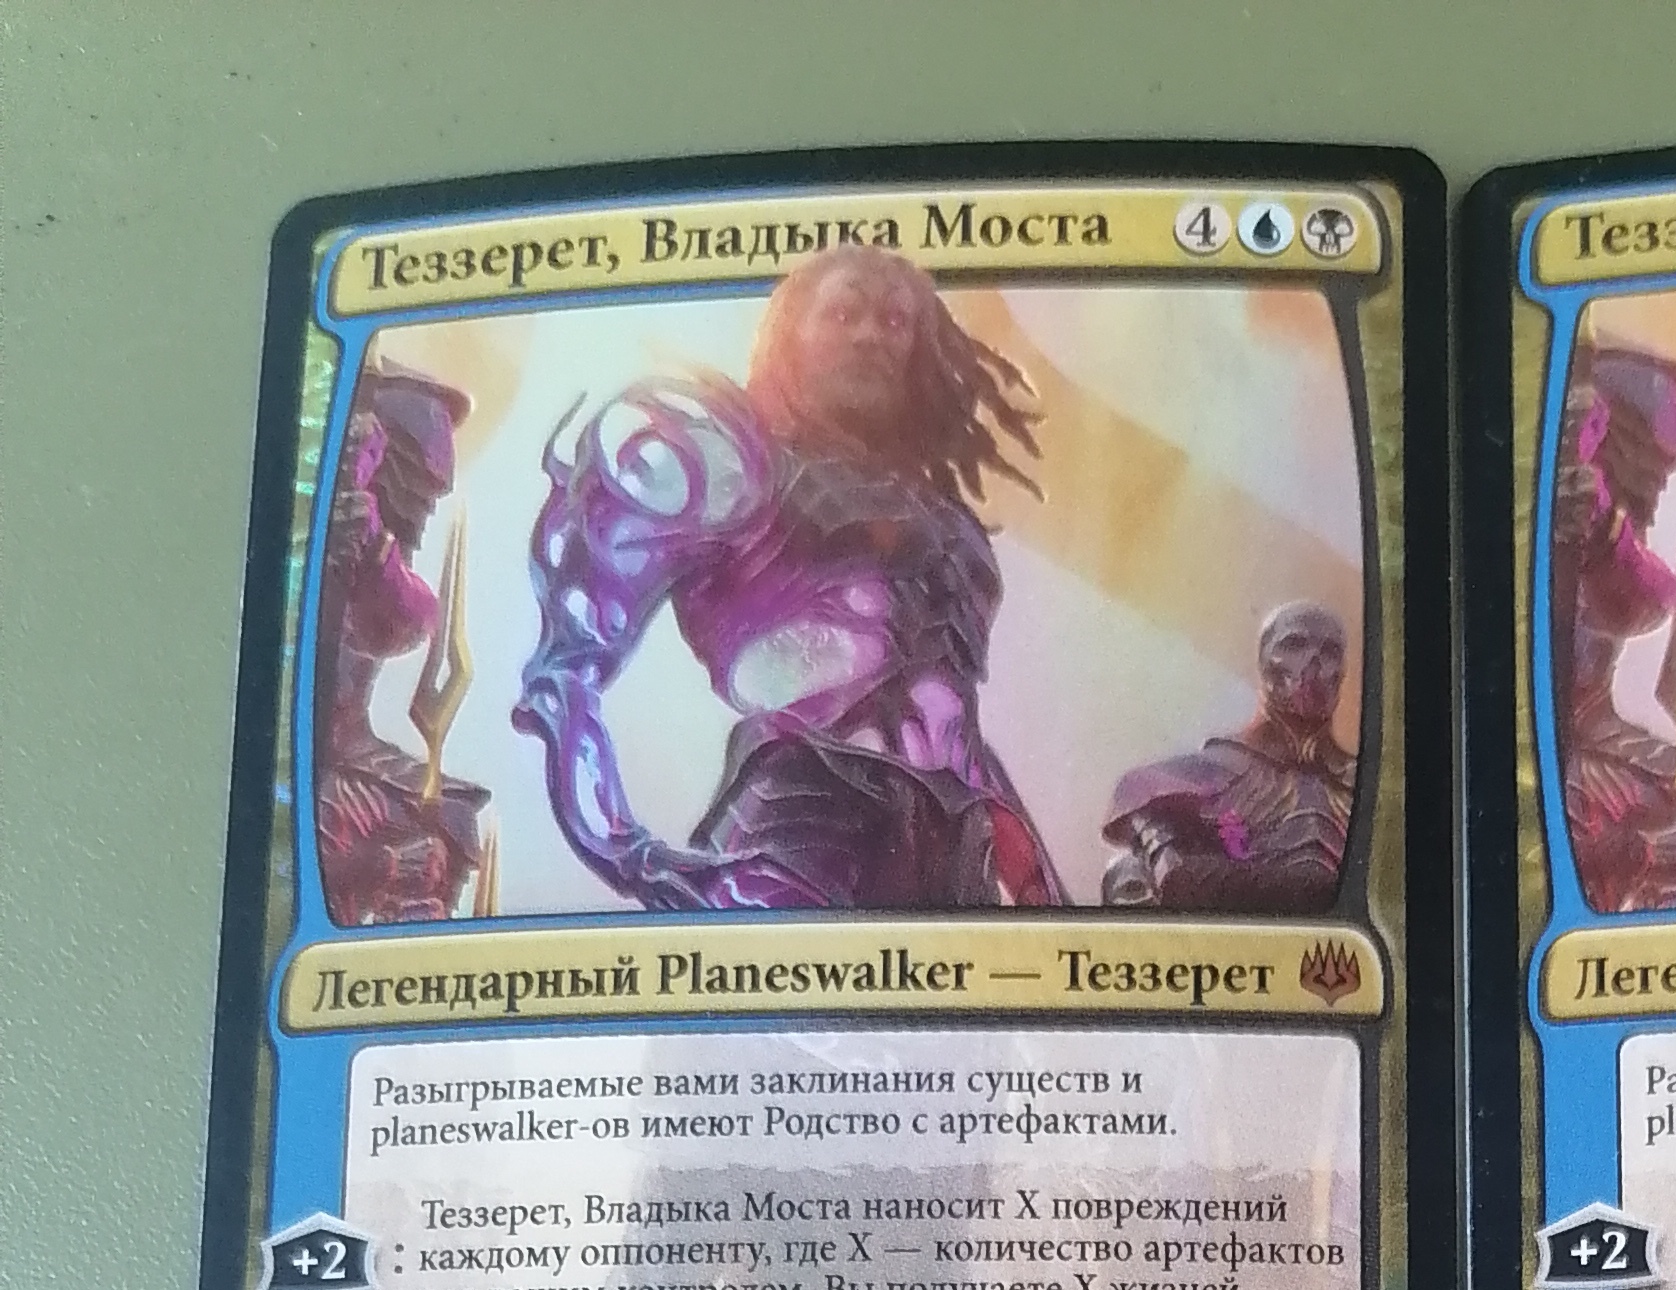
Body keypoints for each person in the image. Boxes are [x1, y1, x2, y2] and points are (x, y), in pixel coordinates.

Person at [516, 247, 1063, 909]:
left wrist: (1045, 897)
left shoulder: (946, 527)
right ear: (789, 333)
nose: (871, 336)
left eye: (895, 322)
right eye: (843, 314)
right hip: (800, 839)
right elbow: (567, 670)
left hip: (955, 858)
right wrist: (633, 855)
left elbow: (948, 720)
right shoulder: (724, 460)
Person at [1550, 344, 1676, 911]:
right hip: (1536, 738)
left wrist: (1603, 529)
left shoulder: (1609, 530)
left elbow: (1650, 596)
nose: (1669, 468)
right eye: (1654, 450)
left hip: (1597, 729)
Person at [314, 359, 493, 925]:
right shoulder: (316, 525)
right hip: (312, 761)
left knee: (450, 816)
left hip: (352, 747)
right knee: (336, 819)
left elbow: (402, 617)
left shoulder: (376, 544)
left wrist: (370, 538)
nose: (430, 490)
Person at [1100, 602, 1359, 910]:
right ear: (1264, 660)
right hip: (1229, 938)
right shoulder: (1177, 780)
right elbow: (1177, 879)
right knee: (1126, 876)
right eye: (1294, 644)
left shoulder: (1366, 788)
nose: (1314, 660)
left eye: (1330, 651)